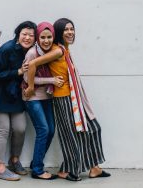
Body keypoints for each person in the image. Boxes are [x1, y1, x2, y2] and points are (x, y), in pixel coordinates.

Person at [24, 18, 111, 181]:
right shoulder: (58, 50)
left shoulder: (64, 49)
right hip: (62, 98)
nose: (70, 32)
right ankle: (73, 170)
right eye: (66, 30)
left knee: (90, 129)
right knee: (71, 134)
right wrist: (29, 87)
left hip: (72, 97)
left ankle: (92, 168)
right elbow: (33, 64)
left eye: (72, 29)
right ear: (59, 32)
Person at [0, 21, 37, 181]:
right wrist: (19, 71)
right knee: (3, 129)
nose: (27, 37)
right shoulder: (7, 49)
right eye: (24, 34)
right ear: (18, 34)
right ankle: (0, 168)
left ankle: (14, 160)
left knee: (20, 128)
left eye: (31, 35)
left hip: (15, 96)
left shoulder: (32, 51)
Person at [22, 22, 63, 180]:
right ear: (37, 38)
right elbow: (26, 78)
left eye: (49, 37)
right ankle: (38, 170)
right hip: (32, 97)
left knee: (51, 130)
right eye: (42, 37)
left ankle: (36, 162)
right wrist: (52, 80)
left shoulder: (52, 51)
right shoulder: (32, 53)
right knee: (43, 130)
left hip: (46, 96)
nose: (46, 40)